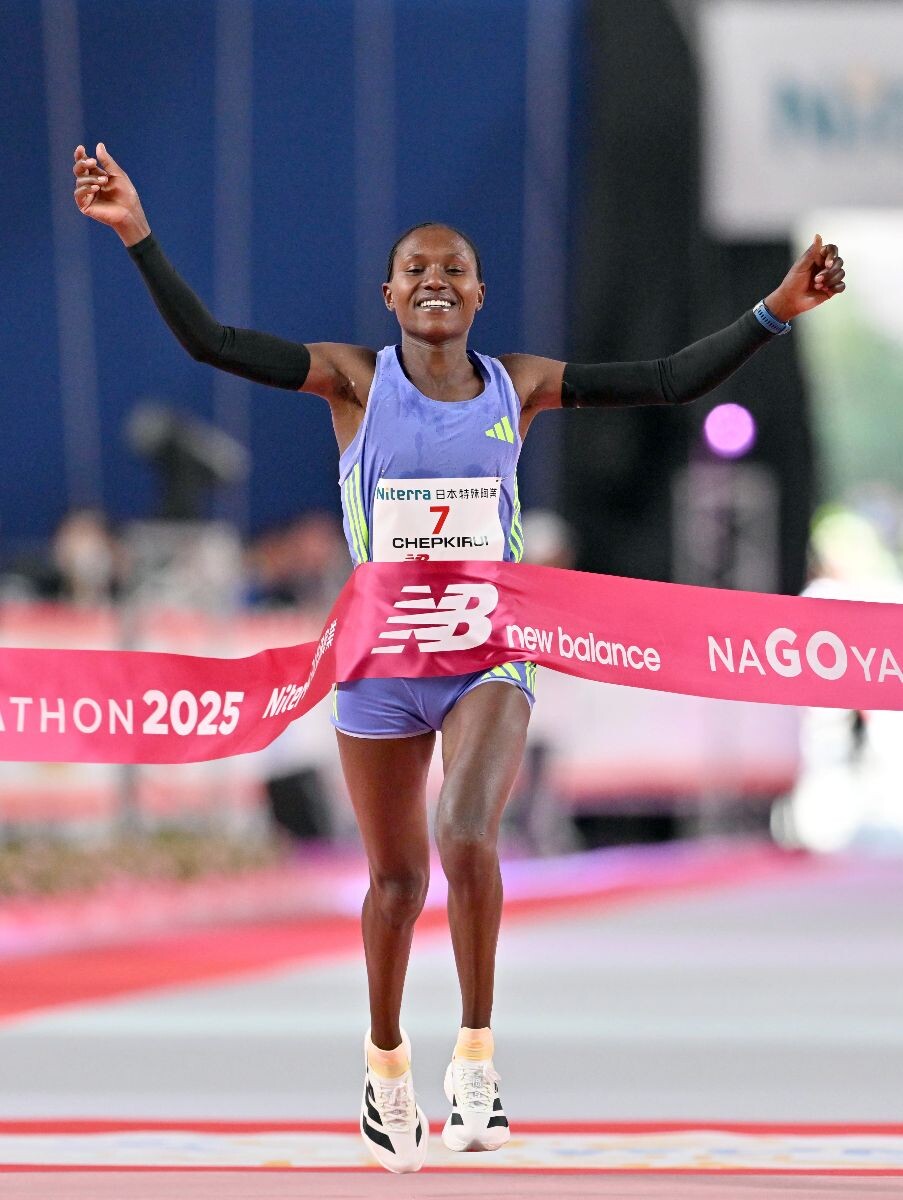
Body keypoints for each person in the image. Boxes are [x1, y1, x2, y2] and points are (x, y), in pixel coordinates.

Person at [72, 142, 845, 1174]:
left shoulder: (517, 386)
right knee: (396, 882)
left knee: (467, 833)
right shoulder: (353, 381)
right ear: (389, 295)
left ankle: (475, 1058)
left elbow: (664, 381)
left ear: (480, 295)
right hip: (382, 659)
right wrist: (137, 234)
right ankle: (385, 1065)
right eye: (416, 269)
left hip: (487, 651)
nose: (435, 279)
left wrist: (774, 312)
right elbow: (212, 343)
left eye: (455, 269)